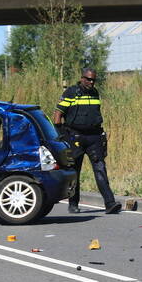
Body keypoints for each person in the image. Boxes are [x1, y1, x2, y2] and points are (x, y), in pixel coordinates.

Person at [53, 68, 121, 214]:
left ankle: (110, 203)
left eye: (93, 80)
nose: (91, 82)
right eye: (88, 79)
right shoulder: (71, 93)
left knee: (100, 168)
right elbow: (58, 115)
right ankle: (73, 204)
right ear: (82, 78)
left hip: (94, 137)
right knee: (74, 171)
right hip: (75, 137)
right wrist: (61, 135)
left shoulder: (95, 93)